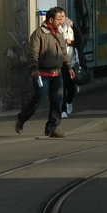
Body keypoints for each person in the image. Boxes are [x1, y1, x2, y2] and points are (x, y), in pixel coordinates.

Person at [15, 7, 75, 138]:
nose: (61, 21)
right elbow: (33, 53)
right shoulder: (39, 33)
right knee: (39, 98)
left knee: (58, 101)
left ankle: (52, 128)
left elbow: (63, 52)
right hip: (42, 73)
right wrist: (34, 69)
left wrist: (69, 67)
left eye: (62, 18)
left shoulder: (59, 33)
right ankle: (21, 118)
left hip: (57, 73)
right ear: (51, 20)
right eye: (59, 19)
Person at [60, 17, 79, 117]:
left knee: (71, 86)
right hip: (60, 62)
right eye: (58, 16)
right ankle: (63, 110)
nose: (61, 19)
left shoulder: (71, 26)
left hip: (72, 61)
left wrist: (71, 42)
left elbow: (80, 42)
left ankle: (69, 101)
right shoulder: (55, 29)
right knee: (62, 86)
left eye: (62, 16)